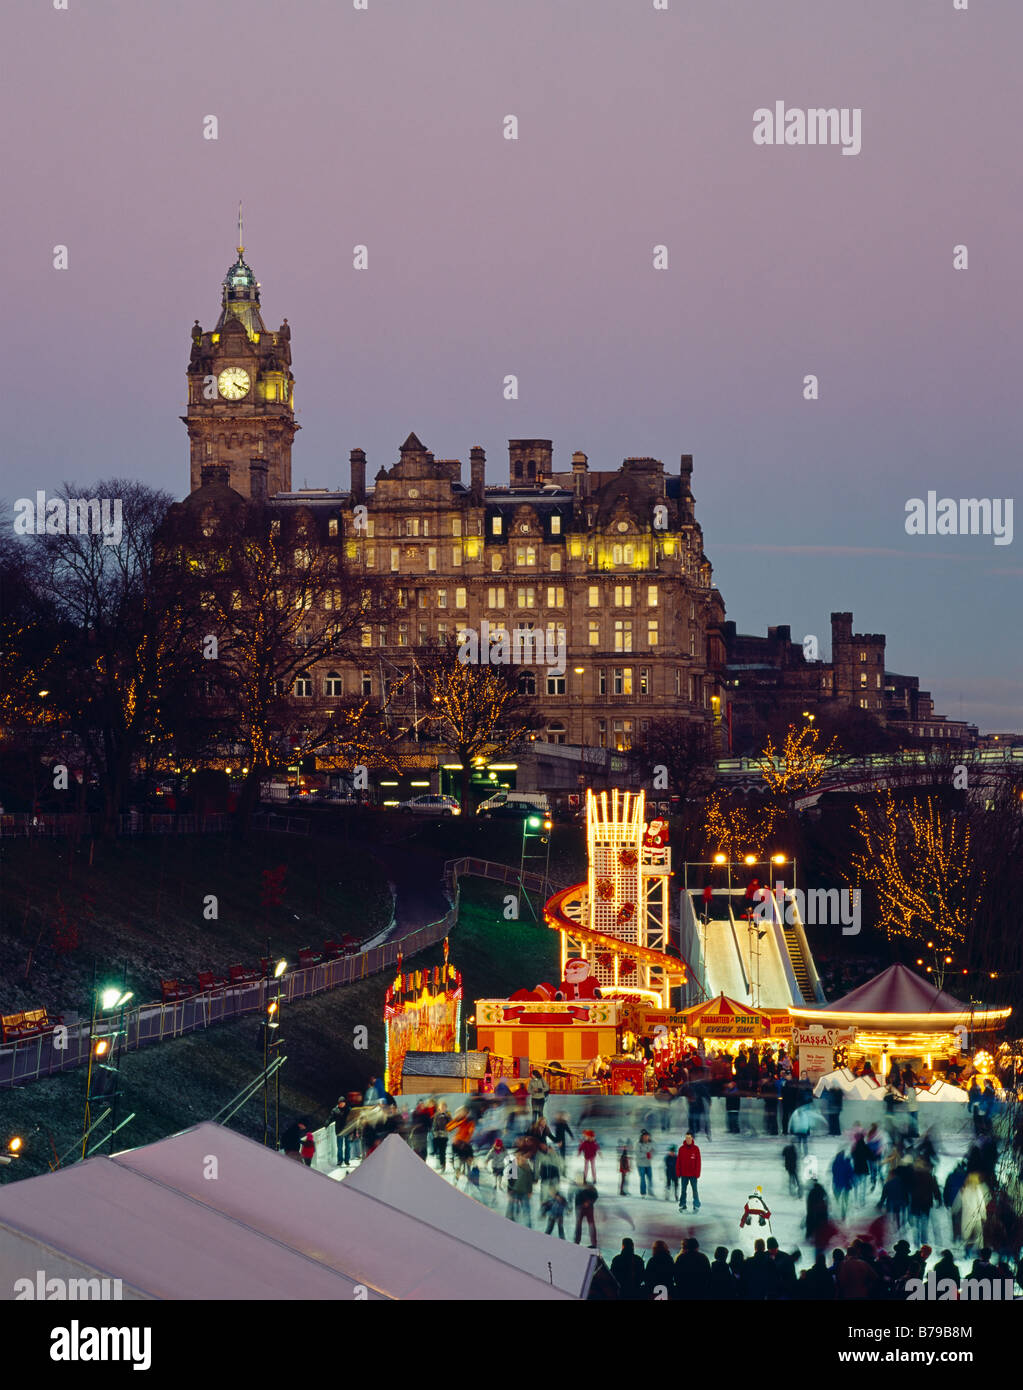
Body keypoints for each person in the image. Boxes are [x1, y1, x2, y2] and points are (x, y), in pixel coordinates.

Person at [673, 1237, 711, 1301]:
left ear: (687, 1247)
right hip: (700, 1290)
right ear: (697, 1247)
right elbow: (708, 1274)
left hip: (684, 1290)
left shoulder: (681, 1258)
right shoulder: (703, 1257)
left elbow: (676, 1275)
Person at [676, 1131, 701, 1211]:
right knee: (683, 1190)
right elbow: (678, 1161)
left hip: (693, 1174)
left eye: (689, 1138)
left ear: (692, 1138)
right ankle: (683, 1204)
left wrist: (697, 1173)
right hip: (684, 1174)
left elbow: (698, 1162)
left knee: (695, 1190)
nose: (688, 1139)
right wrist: (678, 1172)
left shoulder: (696, 1149)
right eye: (686, 1138)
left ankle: (696, 1205)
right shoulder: (681, 1149)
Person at [573, 1176, 598, 1247]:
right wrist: (590, 1202)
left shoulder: (577, 1186)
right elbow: (596, 1195)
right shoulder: (589, 1185)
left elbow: (596, 1195)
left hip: (580, 1207)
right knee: (590, 1224)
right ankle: (593, 1243)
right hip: (586, 1207)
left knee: (580, 1225)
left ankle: (577, 1242)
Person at [329, 1096, 351, 1167]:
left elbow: (352, 1120)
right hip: (339, 1131)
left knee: (348, 1146)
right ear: (338, 1103)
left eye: (342, 1103)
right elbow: (330, 1118)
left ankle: (347, 1160)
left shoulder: (349, 1110)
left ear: (345, 1103)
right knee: (339, 1147)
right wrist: (326, 1123)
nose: (341, 1104)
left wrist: (353, 1131)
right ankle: (340, 1160)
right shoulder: (335, 1110)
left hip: (347, 1130)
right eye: (340, 1103)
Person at [636, 1131, 655, 1196]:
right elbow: (638, 1154)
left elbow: (654, 1151)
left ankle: (650, 1191)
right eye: (645, 1136)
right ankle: (643, 1192)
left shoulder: (651, 1143)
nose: (646, 1137)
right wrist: (646, 1154)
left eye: (647, 1136)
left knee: (650, 1178)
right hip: (641, 1164)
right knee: (642, 1178)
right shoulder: (638, 1144)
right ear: (642, 1137)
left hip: (648, 1164)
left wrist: (651, 1154)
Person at [431, 1103, 450, 1170]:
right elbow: (434, 1124)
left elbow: (450, 1123)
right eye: (441, 1107)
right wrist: (434, 1131)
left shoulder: (447, 1115)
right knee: (436, 1146)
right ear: (439, 1108)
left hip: (444, 1135)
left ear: (446, 1108)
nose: (442, 1109)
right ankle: (435, 1154)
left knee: (442, 1151)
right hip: (437, 1135)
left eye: (444, 1107)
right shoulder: (436, 1115)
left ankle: (443, 1164)